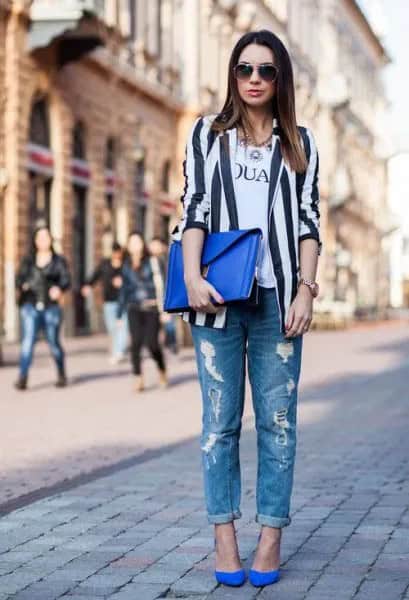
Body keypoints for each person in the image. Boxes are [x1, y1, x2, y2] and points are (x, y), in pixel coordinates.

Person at [171, 30, 322, 588]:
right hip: (216, 301)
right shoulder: (208, 136)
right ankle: (224, 537)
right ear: (232, 76)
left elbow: (308, 222)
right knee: (219, 425)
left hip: (279, 302)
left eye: (266, 70)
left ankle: (272, 536)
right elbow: (194, 207)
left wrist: (306, 288)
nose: (254, 79)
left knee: (278, 424)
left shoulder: (300, 141)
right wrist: (190, 277)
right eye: (244, 69)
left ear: (280, 78)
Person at [15, 224, 71, 390]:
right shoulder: (28, 260)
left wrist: (59, 288)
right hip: (30, 305)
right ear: (35, 241)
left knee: (53, 341)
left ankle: (61, 373)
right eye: (40, 238)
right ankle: (23, 377)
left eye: (46, 237)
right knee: (28, 341)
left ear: (50, 240)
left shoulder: (58, 260)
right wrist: (23, 285)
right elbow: (18, 278)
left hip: (51, 306)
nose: (43, 241)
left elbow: (66, 279)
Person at [118, 231, 168, 392]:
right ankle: (138, 377)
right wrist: (119, 313)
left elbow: (162, 285)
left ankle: (161, 368)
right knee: (136, 344)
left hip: (151, 307)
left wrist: (165, 310)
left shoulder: (153, 262)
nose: (135, 246)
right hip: (134, 308)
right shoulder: (125, 265)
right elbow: (124, 290)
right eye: (132, 243)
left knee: (152, 344)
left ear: (142, 244)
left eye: (137, 242)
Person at [81, 241, 128, 364]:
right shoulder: (105, 264)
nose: (117, 255)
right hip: (109, 301)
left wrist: (123, 281)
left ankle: (119, 352)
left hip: (124, 300)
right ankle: (116, 350)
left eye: (119, 252)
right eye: (115, 252)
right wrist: (88, 286)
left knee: (123, 326)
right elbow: (95, 276)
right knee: (112, 328)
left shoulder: (126, 265)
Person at [148, 236, 178, 354]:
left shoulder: (167, 259)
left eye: (156, 245)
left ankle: (172, 345)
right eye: (152, 245)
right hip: (155, 296)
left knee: (169, 323)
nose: (153, 248)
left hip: (167, 295)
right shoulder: (149, 260)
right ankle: (165, 345)